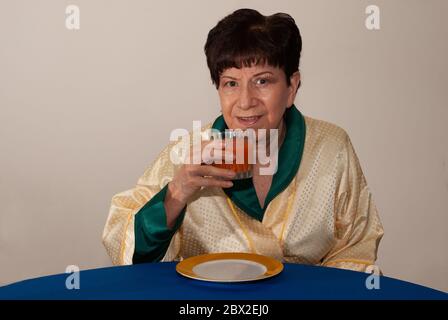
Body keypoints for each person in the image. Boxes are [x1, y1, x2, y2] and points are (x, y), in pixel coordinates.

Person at [102, 8, 384, 272]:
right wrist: (177, 193)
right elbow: (130, 255)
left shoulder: (331, 146)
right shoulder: (187, 153)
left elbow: (357, 247)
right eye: (231, 83)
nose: (245, 102)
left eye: (262, 81)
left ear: (291, 87)